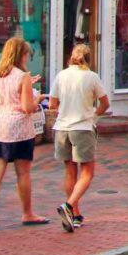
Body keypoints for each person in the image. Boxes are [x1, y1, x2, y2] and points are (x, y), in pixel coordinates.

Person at [0, 37, 49, 229]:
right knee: (23, 172)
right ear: (21, 55)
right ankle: (28, 213)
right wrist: (38, 98)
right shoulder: (22, 76)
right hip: (17, 130)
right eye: (27, 54)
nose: (28, 58)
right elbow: (27, 107)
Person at [49, 44, 110, 232]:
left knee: (70, 172)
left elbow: (52, 103)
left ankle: (75, 214)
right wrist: (94, 115)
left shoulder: (61, 75)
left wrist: (64, 110)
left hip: (61, 128)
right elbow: (105, 103)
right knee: (87, 172)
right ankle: (69, 205)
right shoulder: (91, 77)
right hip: (82, 127)